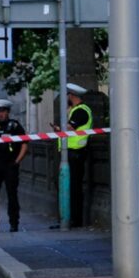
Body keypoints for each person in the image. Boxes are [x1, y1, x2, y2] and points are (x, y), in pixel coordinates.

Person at [0, 98, 27, 233]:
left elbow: (25, 144)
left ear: (8, 112)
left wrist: (17, 162)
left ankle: (14, 223)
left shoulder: (14, 126)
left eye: (3, 111)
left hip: (9, 165)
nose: (0, 114)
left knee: (11, 195)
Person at [62, 84, 95, 229]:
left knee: (75, 188)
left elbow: (69, 127)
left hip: (76, 153)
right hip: (72, 152)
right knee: (69, 187)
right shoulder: (75, 110)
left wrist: (64, 122)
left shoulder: (81, 111)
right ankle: (70, 219)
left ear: (71, 96)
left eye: (68, 95)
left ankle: (76, 221)